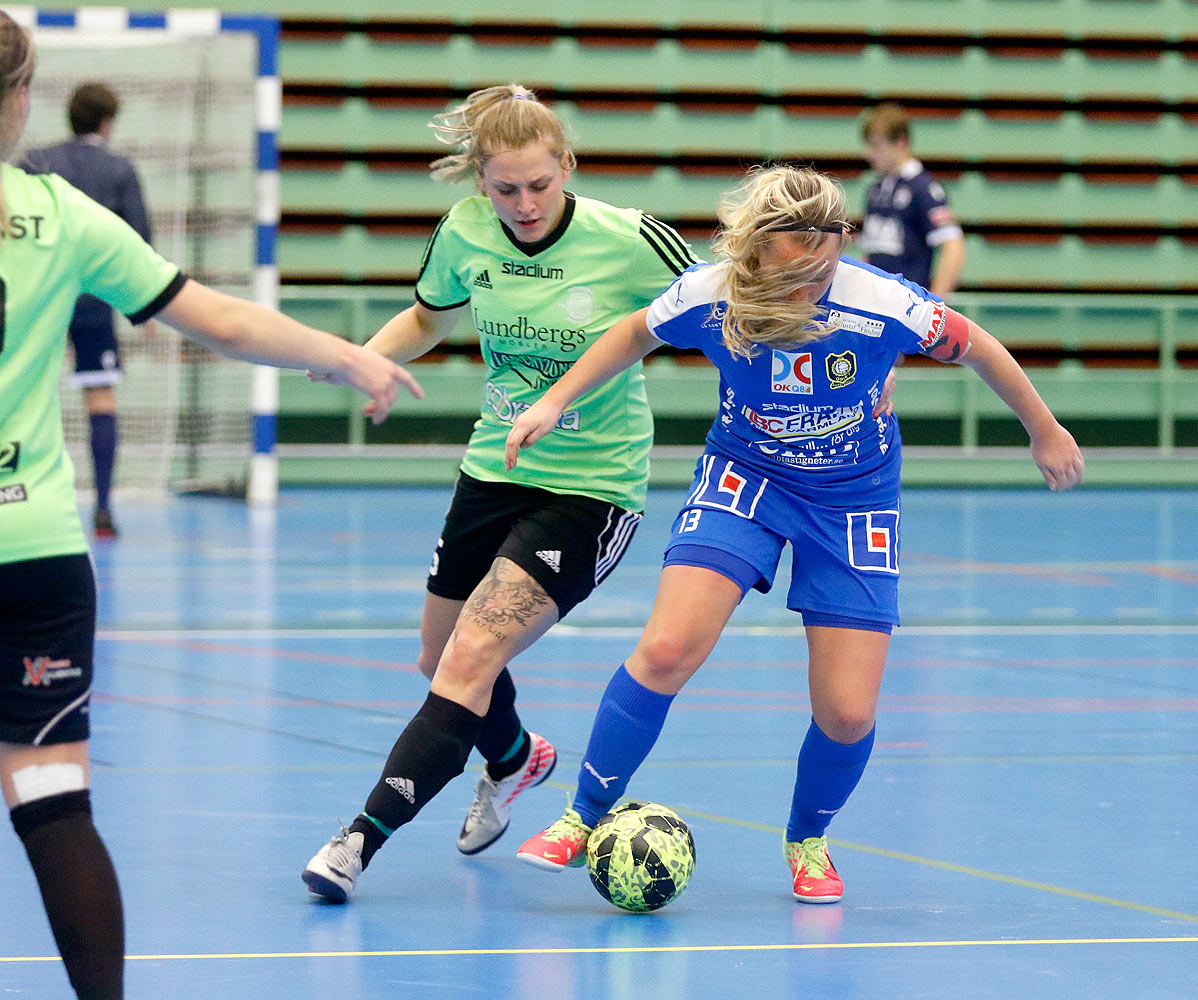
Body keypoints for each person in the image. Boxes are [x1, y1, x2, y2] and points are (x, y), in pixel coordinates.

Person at [507, 165, 1083, 903]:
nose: (816, 271)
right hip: (745, 479)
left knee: (847, 711)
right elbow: (630, 333)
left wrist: (1044, 428)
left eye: (829, 250)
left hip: (852, 499)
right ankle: (581, 816)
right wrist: (554, 401)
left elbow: (979, 348)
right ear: (756, 246)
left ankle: (808, 837)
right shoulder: (712, 293)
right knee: (667, 648)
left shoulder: (881, 301)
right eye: (795, 253)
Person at [0, 15, 421, 1000]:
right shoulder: (55, 214)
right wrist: (346, 351)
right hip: (37, 552)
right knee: (55, 803)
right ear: (19, 99)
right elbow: (220, 317)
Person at [300, 84, 699, 904]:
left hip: (590, 486)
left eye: (538, 185)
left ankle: (355, 841)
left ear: (567, 168)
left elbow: (728, 312)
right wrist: (364, 359)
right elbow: (427, 316)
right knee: (436, 656)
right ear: (479, 181)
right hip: (493, 466)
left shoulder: (631, 242)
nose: (522, 203)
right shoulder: (464, 232)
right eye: (504, 187)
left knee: (473, 655)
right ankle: (516, 758)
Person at [21, 82, 154, 539]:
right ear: (107, 123)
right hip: (95, 301)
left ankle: (17, 497)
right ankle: (101, 509)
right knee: (100, 399)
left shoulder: (36, 162)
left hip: (38, 296)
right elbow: (139, 243)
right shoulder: (119, 170)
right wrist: (147, 309)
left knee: (20, 392)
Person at [858, 102, 966, 297]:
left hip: (908, 307)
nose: (869, 154)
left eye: (877, 146)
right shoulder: (875, 191)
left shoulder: (924, 189)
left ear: (901, 142)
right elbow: (870, 252)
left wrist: (934, 305)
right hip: (875, 306)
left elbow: (954, 247)